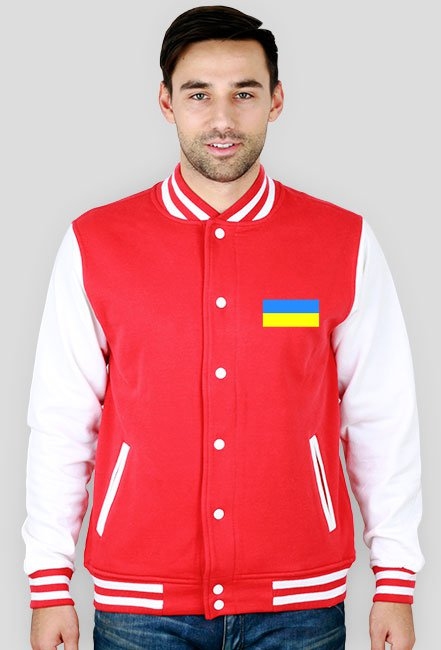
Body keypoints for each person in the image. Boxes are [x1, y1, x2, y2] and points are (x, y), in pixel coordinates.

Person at [22, 5, 424, 650]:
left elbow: (382, 414)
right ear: (166, 102)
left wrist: (396, 580)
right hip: (141, 605)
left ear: (276, 100)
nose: (222, 119)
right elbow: (62, 419)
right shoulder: (97, 243)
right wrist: (48, 583)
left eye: (244, 93)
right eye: (198, 94)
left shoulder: (340, 241)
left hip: (299, 601)